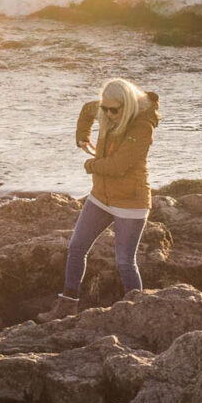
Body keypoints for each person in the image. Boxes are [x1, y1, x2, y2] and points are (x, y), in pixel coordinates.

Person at [39, 77, 161, 321]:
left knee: (125, 262)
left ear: (127, 106)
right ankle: (67, 305)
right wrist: (83, 138)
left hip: (130, 201)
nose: (106, 113)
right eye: (104, 108)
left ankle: (137, 314)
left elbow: (119, 166)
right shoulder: (107, 108)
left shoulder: (142, 127)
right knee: (76, 247)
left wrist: (91, 164)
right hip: (100, 196)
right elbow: (87, 110)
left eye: (113, 110)